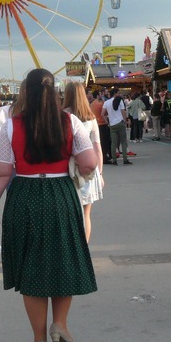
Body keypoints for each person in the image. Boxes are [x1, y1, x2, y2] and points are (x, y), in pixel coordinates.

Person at [0, 68, 97, 342]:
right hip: (61, 196)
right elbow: (89, 162)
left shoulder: (11, 127)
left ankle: (39, 340)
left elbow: (2, 171)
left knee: (31, 267)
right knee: (63, 260)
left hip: (26, 197)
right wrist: (76, 169)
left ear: (25, 93)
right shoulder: (70, 122)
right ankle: (61, 324)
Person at [62, 81, 103, 242]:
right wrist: (100, 173)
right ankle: (84, 249)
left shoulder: (63, 116)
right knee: (86, 213)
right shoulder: (90, 118)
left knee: (69, 213)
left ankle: (70, 247)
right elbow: (98, 148)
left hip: (68, 170)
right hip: (89, 171)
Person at [101, 88, 131, 165]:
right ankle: (125, 159)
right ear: (115, 93)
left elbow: (102, 114)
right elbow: (123, 111)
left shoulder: (106, 102)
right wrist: (125, 121)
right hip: (120, 123)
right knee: (123, 141)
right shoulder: (120, 100)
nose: (120, 94)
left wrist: (107, 122)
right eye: (118, 92)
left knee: (113, 143)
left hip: (112, 125)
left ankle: (114, 160)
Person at [90, 90, 112, 163]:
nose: (102, 95)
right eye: (100, 94)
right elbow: (105, 112)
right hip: (102, 123)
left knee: (100, 141)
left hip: (96, 124)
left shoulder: (92, 104)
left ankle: (103, 156)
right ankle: (105, 157)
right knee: (105, 141)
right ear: (97, 95)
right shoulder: (100, 104)